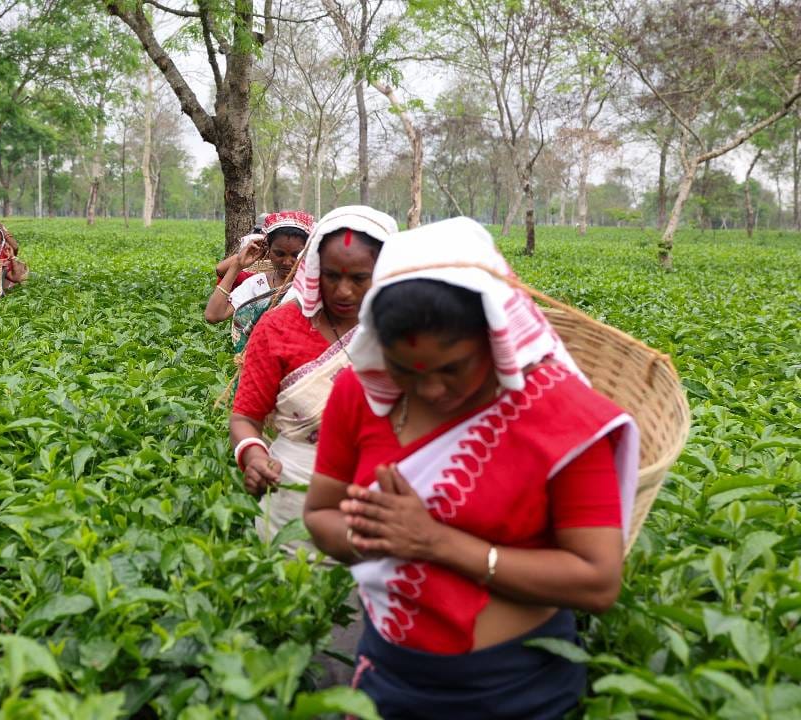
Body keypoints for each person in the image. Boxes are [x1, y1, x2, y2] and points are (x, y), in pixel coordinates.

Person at [303, 217, 640, 718]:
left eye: (453, 368)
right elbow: (320, 515)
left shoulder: (560, 416)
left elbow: (596, 579)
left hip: (516, 688)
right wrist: (376, 536)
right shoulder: (361, 394)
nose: (431, 390)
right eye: (405, 369)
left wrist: (434, 543)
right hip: (388, 675)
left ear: (494, 337)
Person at [229, 206, 397, 553]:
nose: (344, 291)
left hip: (380, 500)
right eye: (331, 276)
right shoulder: (278, 328)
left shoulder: (402, 332)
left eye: (359, 278)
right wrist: (255, 457)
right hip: (291, 492)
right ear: (315, 269)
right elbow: (246, 417)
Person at [205, 211, 312, 352]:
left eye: (296, 255)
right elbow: (213, 315)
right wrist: (237, 265)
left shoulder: (314, 285)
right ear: (267, 250)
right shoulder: (257, 284)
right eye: (279, 254)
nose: (287, 262)